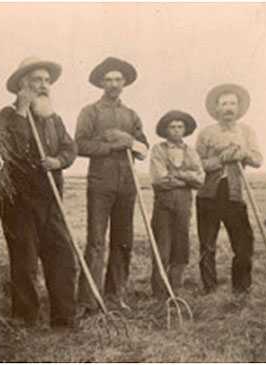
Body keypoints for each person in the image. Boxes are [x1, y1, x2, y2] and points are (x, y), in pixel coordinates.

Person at [0, 57, 78, 328]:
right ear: (23, 84)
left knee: (62, 256)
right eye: (37, 80)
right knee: (25, 260)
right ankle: (25, 318)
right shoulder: (8, 116)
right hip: (18, 200)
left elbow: (70, 149)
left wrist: (58, 162)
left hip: (51, 198)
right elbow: (13, 149)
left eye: (47, 81)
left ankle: (64, 318)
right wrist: (21, 110)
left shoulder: (54, 119)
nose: (43, 85)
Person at [75, 57, 149, 314]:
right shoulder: (90, 112)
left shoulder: (131, 115)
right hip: (100, 184)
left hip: (127, 185)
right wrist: (111, 146)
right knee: (96, 242)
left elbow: (143, 149)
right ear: (100, 83)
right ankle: (87, 301)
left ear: (125, 82)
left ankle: (115, 296)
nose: (113, 84)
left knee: (123, 241)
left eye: (118, 79)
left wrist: (128, 140)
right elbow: (80, 145)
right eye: (108, 79)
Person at [196, 83, 263, 295]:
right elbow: (197, 165)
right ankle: (210, 290)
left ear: (238, 107)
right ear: (216, 108)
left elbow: (258, 160)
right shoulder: (206, 133)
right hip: (208, 195)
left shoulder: (246, 131)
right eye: (224, 103)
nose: (228, 108)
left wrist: (242, 154)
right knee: (207, 245)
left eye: (232, 103)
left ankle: (241, 290)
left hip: (234, 194)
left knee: (244, 244)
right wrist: (221, 159)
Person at [149, 110, 204, 299]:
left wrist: (179, 176)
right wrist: (187, 178)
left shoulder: (191, 152)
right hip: (163, 206)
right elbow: (159, 179)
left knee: (181, 248)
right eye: (172, 127)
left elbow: (200, 179)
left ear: (185, 129)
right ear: (165, 130)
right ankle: (160, 293)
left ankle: (175, 290)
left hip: (184, 206)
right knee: (162, 249)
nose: (176, 130)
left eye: (180, 127)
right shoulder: (158, 150)